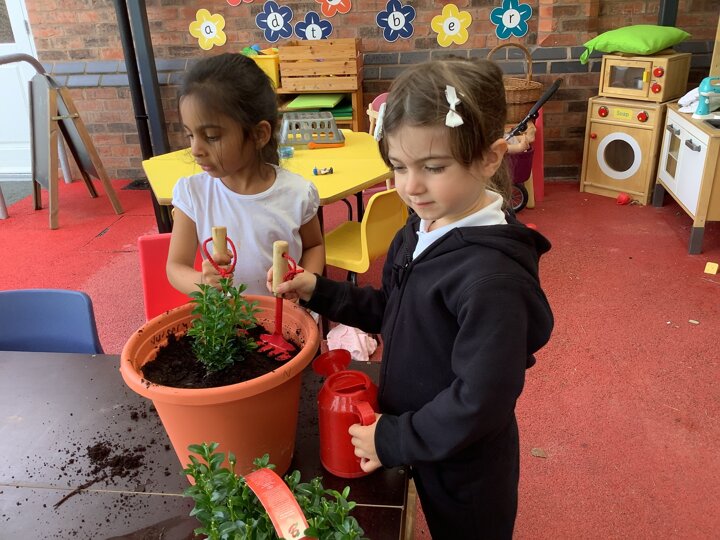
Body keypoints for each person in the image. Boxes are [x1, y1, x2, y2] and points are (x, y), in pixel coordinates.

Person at [269, 58, 554, 538]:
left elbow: (481, 400)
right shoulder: (422, 226)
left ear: (490, 158)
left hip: (465, 468)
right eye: (399, 167)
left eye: (434, 167)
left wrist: (397, 438)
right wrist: (318, 290)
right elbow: (394, 309)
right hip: (419, 433)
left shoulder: (492, 282)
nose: (410, 186)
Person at [167, 53, 324, 296]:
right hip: (227, 317)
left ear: (259, 134)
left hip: (285, 315)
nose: (196, 149)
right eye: (190, 135)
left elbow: (314, 246)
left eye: (211, 137)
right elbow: (175, 266)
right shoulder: (193, 194)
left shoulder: (297, 193)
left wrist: (304, 287)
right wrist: (202, 281)